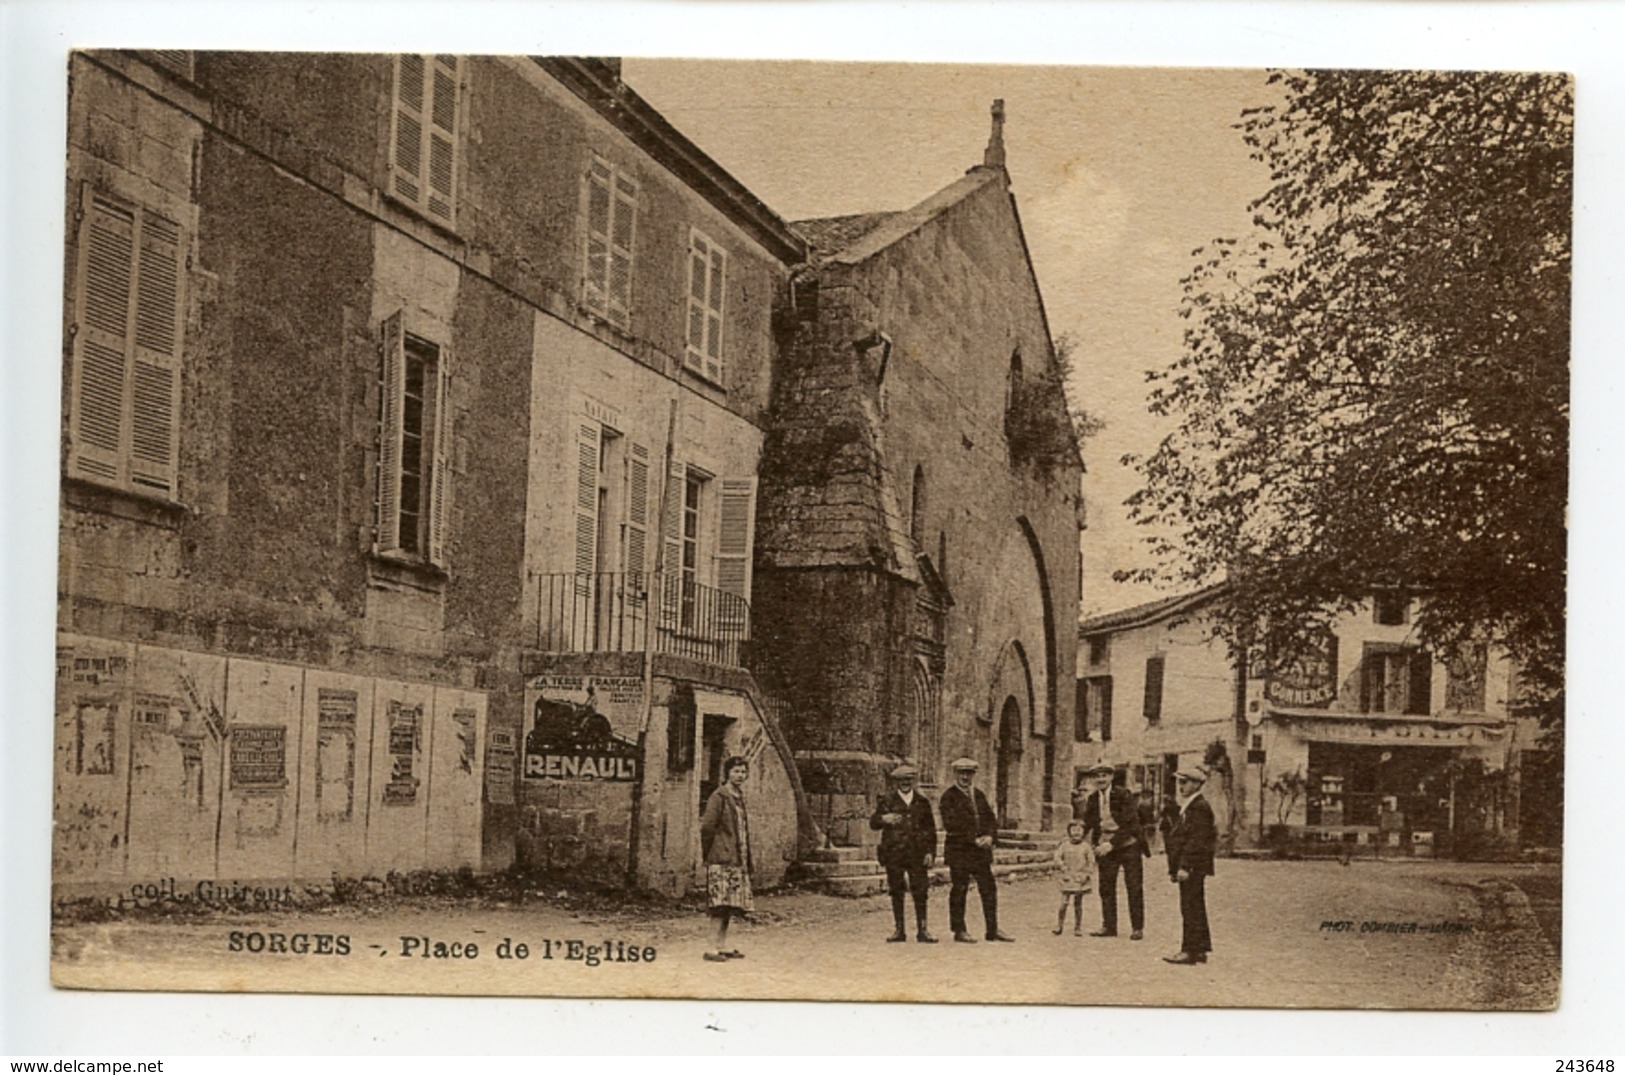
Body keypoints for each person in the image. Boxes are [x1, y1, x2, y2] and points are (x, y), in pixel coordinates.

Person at [938, 757, 1013, 943]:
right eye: (962, 773)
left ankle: (992, 929)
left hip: (980, 852)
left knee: (989, 888)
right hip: (960, 851)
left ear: (973, 775)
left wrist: (990, 836)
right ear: (955, 774)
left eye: (969, 773)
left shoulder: (979, 795)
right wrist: (973, 839)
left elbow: (990, 819)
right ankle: (959, 930)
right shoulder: (949, 797)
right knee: (960, 888)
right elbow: (951, 824)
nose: (965, 777)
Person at [1080, 763, 1150, 940]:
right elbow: (1088, 822)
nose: (1101, 779)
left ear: (1111, 777)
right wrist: (1075, 839)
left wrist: (1111, 844)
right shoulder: (1094, 798)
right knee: (1106, 886)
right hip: (1105, 845)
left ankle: (1137, 927)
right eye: (1097, 776)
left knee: (1133, 886)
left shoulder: (1123, 794)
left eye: (1104, 775)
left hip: (1128, 844)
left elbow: (1130, 823)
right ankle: (1109, 926)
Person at [870, 762, 939, 943]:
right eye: (901, 780)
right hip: (894, 853)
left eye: (909, 779)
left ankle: (923, 930)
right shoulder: (887, 801)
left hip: (917, 854)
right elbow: (873, 823)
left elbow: (930, 830)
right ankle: (899, 930)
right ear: (896, 782)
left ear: (914, 780)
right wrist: (884, 818)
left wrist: (930, 852)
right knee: (896, 890)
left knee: (921, 890)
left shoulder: (922, 802)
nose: (905, 783)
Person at [699, 755, 753, 962]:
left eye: (743, 771)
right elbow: (707, 828)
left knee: (731, 904)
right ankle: (711, 947)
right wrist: (711, 853)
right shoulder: (719, 797)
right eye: (736, 771)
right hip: (721, 859)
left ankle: (722, 945)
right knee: (719, 904)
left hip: (737, 859)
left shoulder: (738, 797)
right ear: (727, 773)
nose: (740, 775)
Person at [1163, 765, 1218, 965]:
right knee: (1195, 905)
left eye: (1184, 782)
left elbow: (1197, 840)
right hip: (1192, 865)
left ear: (1196, 784)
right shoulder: (1191, 805)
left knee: (1190, 907)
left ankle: (1188, 950)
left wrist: (1185, 866)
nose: (1180, 786)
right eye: (1179, 782)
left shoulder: (1199, 807)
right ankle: (1200, 949)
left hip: (1193, 866)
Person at [1052, 819, 1096, 936]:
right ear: (1069, 831)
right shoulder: (1064, 845)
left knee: (1078, 903)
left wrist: (1086, 873)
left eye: (1079, 830)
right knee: (1063, 903)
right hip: (1067, 876)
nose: (1076, 833)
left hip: (1079, 878)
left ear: (1083, 832)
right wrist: (1062, 866)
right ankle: (1059, 925)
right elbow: (1057, 857)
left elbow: (1091, 861)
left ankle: (1077, 927)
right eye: (1073, 830)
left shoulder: (1086, 846)